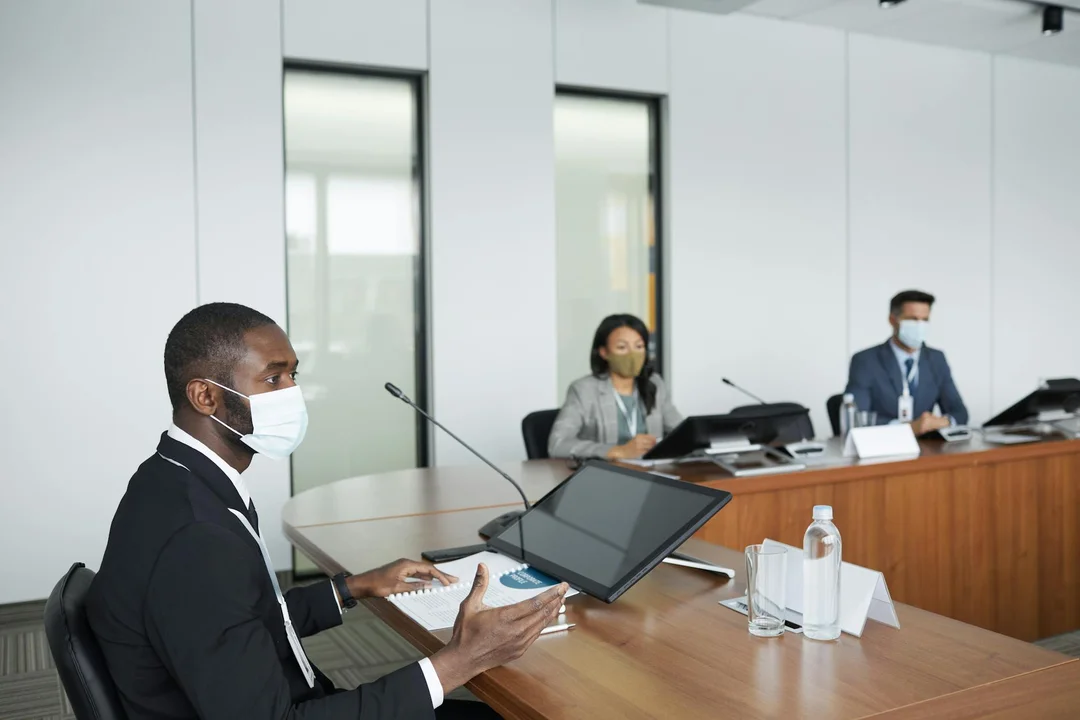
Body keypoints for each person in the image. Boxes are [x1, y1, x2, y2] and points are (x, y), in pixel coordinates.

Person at [86, 303, 567, 720]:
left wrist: (351, 587)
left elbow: (232, 621)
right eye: (274, 377)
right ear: (205, 396)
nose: (292, 391)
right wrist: (458, 662)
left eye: (295, 374)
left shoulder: (172, 478)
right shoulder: (197, 537)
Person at [548, 314, 683, 459]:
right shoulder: (583, 390)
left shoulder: (655, 384)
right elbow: (557, 444)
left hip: (650, 473)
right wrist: (615, 451)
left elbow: (681, 432)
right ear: (604, 352)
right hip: (606, 475)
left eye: (639, 346)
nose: (632, 354)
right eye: (621, 347)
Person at [845, 290, 968, 435]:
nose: (920, 326)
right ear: (893, 320)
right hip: (882, 448)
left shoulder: (936, 359)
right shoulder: (866, 360)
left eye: (925, 320)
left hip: (927, 450)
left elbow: (960, 412)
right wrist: (907, 428)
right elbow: (858, 418)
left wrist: (943, 421)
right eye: (913, 319)